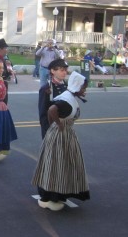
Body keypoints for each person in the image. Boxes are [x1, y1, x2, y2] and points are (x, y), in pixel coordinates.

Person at [32, 71, 90, 211]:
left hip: (65, 134)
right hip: (60, 135)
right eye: (83, 87)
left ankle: (59, 194)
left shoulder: (68, 96)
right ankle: (49, 197)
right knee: (56, 165)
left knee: (62, 164)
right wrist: (58, 124)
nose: (84, 90)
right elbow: (52, 109)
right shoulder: (67, 100)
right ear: (76, 86)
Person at [38, 59, 68, 139]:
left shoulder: (67, 86)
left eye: (65, 70)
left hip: (66, 125)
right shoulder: (47, 89)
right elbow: (43, 113)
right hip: (53, 126)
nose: (65, 72)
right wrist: (48, 130)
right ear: (52, 71)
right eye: (62, 70)